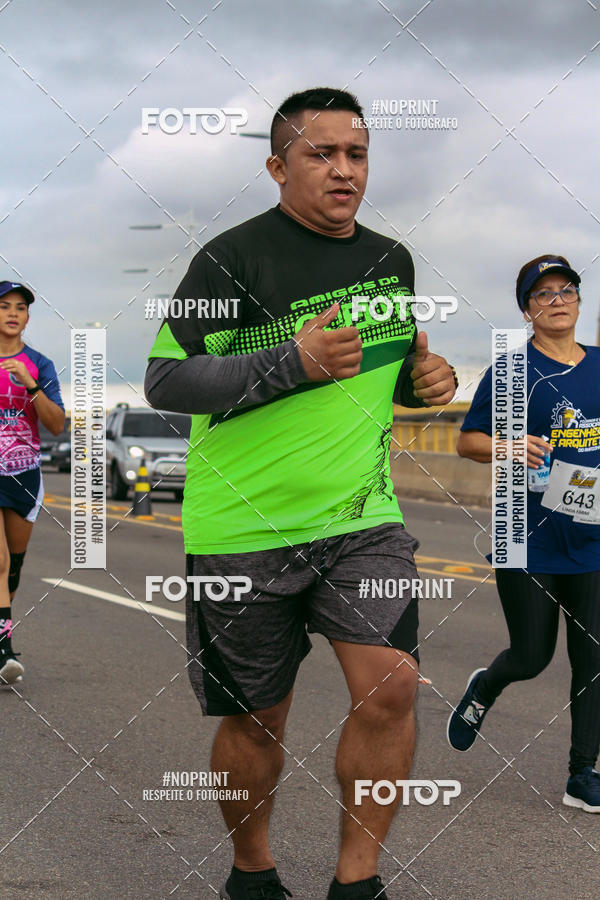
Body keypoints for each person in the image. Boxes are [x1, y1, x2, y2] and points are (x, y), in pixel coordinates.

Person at [145, 87, 456, 899]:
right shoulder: (232, 258)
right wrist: (290, 362)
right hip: (245, 526)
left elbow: (377, 378)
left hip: (362, 519)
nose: (343, 170)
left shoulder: (393, 260)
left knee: (390, 687)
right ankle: (253, 873)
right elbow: (168, 380)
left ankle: (358, 882)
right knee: (257, 719)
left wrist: (425, 384)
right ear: (279, 165)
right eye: (322, 154)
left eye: (356, 155)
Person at [447, 255, 600, 813]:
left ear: (579, 301)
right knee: (533, 655)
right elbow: (467, 442)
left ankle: (582, 774)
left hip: (592, 535)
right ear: (527, 310)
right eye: (543, 294)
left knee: (594, 659)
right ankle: (486, 686)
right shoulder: (512, 373)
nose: (556, 300)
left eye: (566, 290)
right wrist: (509, 447)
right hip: (527, 535)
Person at [0, 281, 65, 684]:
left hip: (23, 474)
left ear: (27, 317)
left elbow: (57, 425)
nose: (12, 313)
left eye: (20, 307)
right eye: (4, 305)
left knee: (13, 568)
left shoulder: (39, 364)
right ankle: (4, 652)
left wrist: (32, 385)